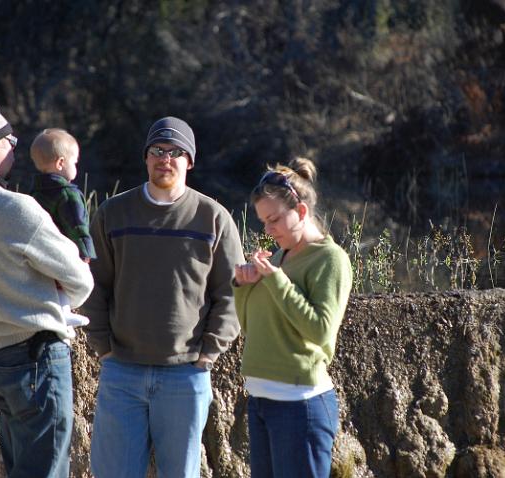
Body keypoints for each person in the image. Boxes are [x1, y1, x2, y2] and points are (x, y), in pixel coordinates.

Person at [81, 116, 245, 478]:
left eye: (175, 152)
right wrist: (104, 347)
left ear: (189, 161)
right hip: (122, 372)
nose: (165, 159)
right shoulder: (113, 213)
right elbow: (93, 285)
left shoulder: (213, 218)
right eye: (157, 150)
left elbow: (231, 293)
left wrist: (208, 354)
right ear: (145, 157)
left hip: (185, 377)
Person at [0, 96, 94, 478]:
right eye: (12, 142)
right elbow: (81, 278)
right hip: (38, 357)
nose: (15, 151)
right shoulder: (18, 208)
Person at [233, 157, 353, 478]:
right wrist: (243, 286)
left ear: (300, 212)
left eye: (273, 220)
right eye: (263, 222)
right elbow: (251, 327)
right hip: (261, 402)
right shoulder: (278, 258)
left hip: (301, 407)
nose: (268, 231)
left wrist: (275, 280)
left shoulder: (331, 260)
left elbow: (320, 331)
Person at [29, 127, 95, 326]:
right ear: (61, 163)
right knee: (63, 280)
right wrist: (85, 251)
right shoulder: (68, 194)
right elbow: (77, 224)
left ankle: (51, 309)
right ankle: (64, 311)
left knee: (49, 280)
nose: (76, 167)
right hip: (65, 247)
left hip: (40, 248)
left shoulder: (34, 193)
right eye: (75, 162)